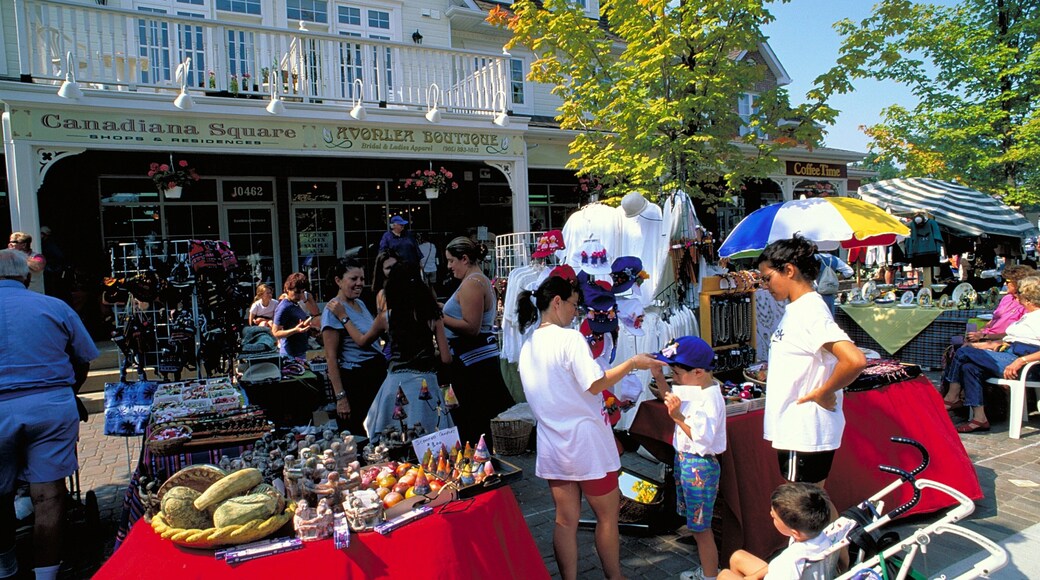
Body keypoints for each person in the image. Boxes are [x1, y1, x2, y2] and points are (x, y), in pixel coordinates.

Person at [516, 275, 665, 580]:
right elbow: (595, 383)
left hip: (554, 443)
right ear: (557, 302)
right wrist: (632, 364)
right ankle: (615, 577)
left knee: (565, 520)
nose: (576, 312)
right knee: (607, 518)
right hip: (587, 443)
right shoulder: (569, 339)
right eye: (573, 305)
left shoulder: (528, 344)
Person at [0, 249, 99, 580]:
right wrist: (70, 389)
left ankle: (6, 567)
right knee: (48, 496)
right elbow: (84, 357)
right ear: (27, 277)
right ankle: (46, 574)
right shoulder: (54, 307)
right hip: (49, 405)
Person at [757, 236, 866, 485]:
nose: (765, 286)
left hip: (803, 428)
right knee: (810, 501)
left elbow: (854, 360)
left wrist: (824, 392)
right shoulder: (800, 309)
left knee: (800, 503)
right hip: (798, 428)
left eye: (767, 278)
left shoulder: (808, 311)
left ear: (789, 270)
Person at [651, 336, 727, 580]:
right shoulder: (696, 387)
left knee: (701, 528)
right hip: (687, 461)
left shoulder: (709, 398)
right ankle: (708, 570)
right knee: (696, 526)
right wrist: (658, 376)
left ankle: (710, 575)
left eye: (676, 373)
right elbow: (671, 398)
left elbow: (702, 438)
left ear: (697, 372)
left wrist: (677, 418)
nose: (674, 378)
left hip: (699, 466)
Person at [361, 266, 453, 439]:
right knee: (430, 438)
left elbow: (362, 341)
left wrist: (344, 318)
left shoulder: (386, 317)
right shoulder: (432, 316)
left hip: (395, 384)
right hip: (426, 384)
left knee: (392, 438)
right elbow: (446, 358)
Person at [943, 276, 1040, 433]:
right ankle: (979, 418)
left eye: (1019, 293)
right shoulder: (1028, 315)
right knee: (969, 367)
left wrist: (1021, 361)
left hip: (1025, 363)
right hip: (1009, 353)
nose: (1016, 296)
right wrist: (985, 344)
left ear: (1029, 299)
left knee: (963, 351)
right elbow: (1011, 340)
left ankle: (952, 396)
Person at [441, 236, 514, 442]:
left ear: (464, 259)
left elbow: (471, 327)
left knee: (475, 420)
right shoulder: (477, 280)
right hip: (477, 360)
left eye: (451, 260)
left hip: (473, 363)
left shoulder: (472, 284)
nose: (449, 266)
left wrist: (440, 317)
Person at [323, 259, 388, 436]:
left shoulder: (360, 304)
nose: (359, 283)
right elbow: (331, 357)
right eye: (353, 279)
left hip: (375, 374)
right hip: (356, 380)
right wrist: (341, 397)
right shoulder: (333, 309)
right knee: (358, 436)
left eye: (362, 279)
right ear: (338, 281)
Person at [718, 483, 836, 580]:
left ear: (795, 533)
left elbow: (783, 567)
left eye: (774, 517)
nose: (770, 514)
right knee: (738, 557)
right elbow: (776, 566)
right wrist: (755, 576)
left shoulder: (788, 561)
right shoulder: (823, 535)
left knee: (724, 576)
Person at [272, 272, 320, 358]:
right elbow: (275, 332)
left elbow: (296, 325)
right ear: (287, 289)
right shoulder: (284, 307)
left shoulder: (295, 303)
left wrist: (310, 329)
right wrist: (295, 330)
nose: (300, 296)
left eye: (302, 292)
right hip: (289, 355)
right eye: (297, 292)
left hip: (301, 352)